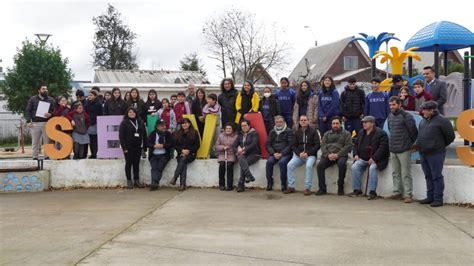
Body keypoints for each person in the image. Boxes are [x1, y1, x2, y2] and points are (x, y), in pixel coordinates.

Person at [416, 101, 455, 207]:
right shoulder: (424, 120)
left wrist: (438, 145)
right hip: (423, 153)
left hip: (436, 153)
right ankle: (430, 197)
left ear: (431, 110)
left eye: (424, 110)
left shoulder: (442, 120)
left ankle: (438, 199)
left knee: (436, 176)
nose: (422, 111)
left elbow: (450, 137)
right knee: (428, 176)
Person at [386, 96, 418, 203]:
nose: (392, 107)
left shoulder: (407, 116)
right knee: (395, 172)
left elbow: (414, 132)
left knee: (406, 173)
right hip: (393, 148)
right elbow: (391, 131)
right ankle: (397, 192)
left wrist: (409, 143)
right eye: (390, 105)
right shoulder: (390, 116)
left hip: (404, 149)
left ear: (399, 104)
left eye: (394, 104)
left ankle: (408, 195)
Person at [349, 116, 389, 200]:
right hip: (363, 158)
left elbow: (382, 148)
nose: (364, 124)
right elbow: (355, 145)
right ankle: (357, 190)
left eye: (366, 122)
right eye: (363, 122)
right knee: (354, 167)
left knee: (372, 168)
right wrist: (355, 154)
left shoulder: (381, 133)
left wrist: (374, 158)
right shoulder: (361, 132)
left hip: (377, 159)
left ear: (372, 123)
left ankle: (372, 192)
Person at [316, 116, 352, 196]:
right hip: (328, 155)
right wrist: (328, 155)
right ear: (331, 125)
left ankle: (340, 186)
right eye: (333, 124)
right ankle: (322, 189)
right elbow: (323, 145)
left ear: (340, 124)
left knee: (342, 164)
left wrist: (337, 155)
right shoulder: (327, 134)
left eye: (337, 123)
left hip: (341, 155)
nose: (335, 125)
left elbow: (348, 146)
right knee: (320, 166)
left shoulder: (346, 134)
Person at [284, 115, 320, 196]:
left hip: (310, 155)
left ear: (308, 121)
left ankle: (307, 188)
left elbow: (317, 145)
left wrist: (308, 153)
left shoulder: (314, 131)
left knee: (309, 166)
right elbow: (293, 145)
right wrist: (299, 153)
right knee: (289, 165)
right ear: (299, 122)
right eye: (301, 120)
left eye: (305, 120)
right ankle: (291, 186)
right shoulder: (297, 132)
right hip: (299, 156)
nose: (303, 121)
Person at [119, 107, 147, 189]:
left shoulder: (140, 122)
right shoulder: (124, 123)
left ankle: (136, 180)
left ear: (136, 113)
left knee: (136, 164)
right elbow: (121, 136)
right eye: (130, 112)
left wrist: (144, 147)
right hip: (128, 147)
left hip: (138, 147)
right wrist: (124, 148)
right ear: (127, 113)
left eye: (133, 112)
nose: (132, 113)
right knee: (128, 164)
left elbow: (144, 134)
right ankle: (129, 181)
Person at [25, 85, 55, 160]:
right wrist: (28, 121)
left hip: (46, 123)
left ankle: (47, 156)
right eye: (43, 89)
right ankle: (35, 156)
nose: (45, 90)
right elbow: (28, 110)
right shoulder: (33, 99)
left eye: (46, 89)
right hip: (35, 123)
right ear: (39, 90)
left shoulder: (51, 100)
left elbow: (54, 111)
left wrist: (50, 114)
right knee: (35, 142)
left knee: (47, 141)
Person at [170, 118, 200, 191]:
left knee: (183, 160)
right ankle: (182, 185)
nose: (184, 124)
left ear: (189, 124)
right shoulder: (178, 133)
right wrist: (182, 151)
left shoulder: (194, 132)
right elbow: (175, 145)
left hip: (191, 154)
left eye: (186, 123)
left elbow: (197, 145)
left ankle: (175, 177)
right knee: (183, 162)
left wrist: (189, 151)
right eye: (183, 123)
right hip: (181, 154)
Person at [265, 115, 293, 192]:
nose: (279, 123)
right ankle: (269, 182)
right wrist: (273, 153)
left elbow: (290, 145)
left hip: (285, 154)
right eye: (277, 122)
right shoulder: (272, 132)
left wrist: (281, 154)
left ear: (284, 122)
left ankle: (283, 184)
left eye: (280, 122)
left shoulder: (289, 131)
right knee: (269, 162)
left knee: (282, 162)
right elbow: (268, 144)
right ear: (275, 123)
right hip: (274, 153)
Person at [147, 119, 174, 191]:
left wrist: (163, 145)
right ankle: (155, 183)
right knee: (154, 168)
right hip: (153, 154)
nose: (163, 127)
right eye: (161, 126)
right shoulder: (152, 134)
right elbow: (148, 143)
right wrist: (154, 146)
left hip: (164, 155)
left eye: (164, 125)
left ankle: (154, 183)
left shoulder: (168, 134)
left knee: (159, 167)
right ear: (157, 127)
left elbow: (171, 144)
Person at [233, 119, 260, 192]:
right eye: (242, 126)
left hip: (254, 154)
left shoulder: (254, 133)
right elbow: (234, 145)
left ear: (249, 126)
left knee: (243, 164)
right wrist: (237, 149)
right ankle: (249, 176)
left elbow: (254, 144)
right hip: (242, 154)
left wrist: (245, 149)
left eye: (245, 125)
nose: (244, 127)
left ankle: (241, 185)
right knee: (241, 158)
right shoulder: (240, 134)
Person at [214, 123, 238, 191]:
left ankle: (229, 185)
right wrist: (223, 147)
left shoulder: (236, 136)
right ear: (224, 129)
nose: (228, 130)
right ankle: (221, 185)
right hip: (222, 154)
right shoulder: (220, 136)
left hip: (231, 154)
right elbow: (216, 146)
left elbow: (237, 145)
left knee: (229, 165)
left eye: (230, 128)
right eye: (227, 128)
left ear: (232, 130)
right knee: (222, 165)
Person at [84, 90, 103, 159]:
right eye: (89, 95)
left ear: (95, 96)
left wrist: (94, 121)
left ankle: (94, 154)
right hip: (88, 124)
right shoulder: (86, 103)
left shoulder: (98, 104)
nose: (89, 96)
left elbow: (100, 114)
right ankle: (91, 153)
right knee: (90, 140)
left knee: (94, 140)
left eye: (91, 95)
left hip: (95, 123)